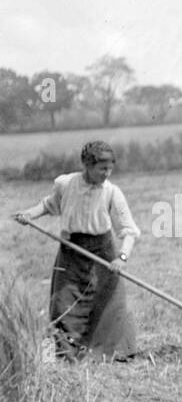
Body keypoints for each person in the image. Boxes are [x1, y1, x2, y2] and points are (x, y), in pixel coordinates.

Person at [12, 141, 140, 361]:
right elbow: (49, 204)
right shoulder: (66, 184)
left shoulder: (111, 192)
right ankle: (57, 357)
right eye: (102, 168)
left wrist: (122, 257)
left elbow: (129, 230)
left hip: (102, 255)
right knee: (62, 305)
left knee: (110, 305)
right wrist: (29, 215)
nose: (106, 173)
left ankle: (109, 354)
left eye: (110, 168)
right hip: (71, 252)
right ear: (86, 165)